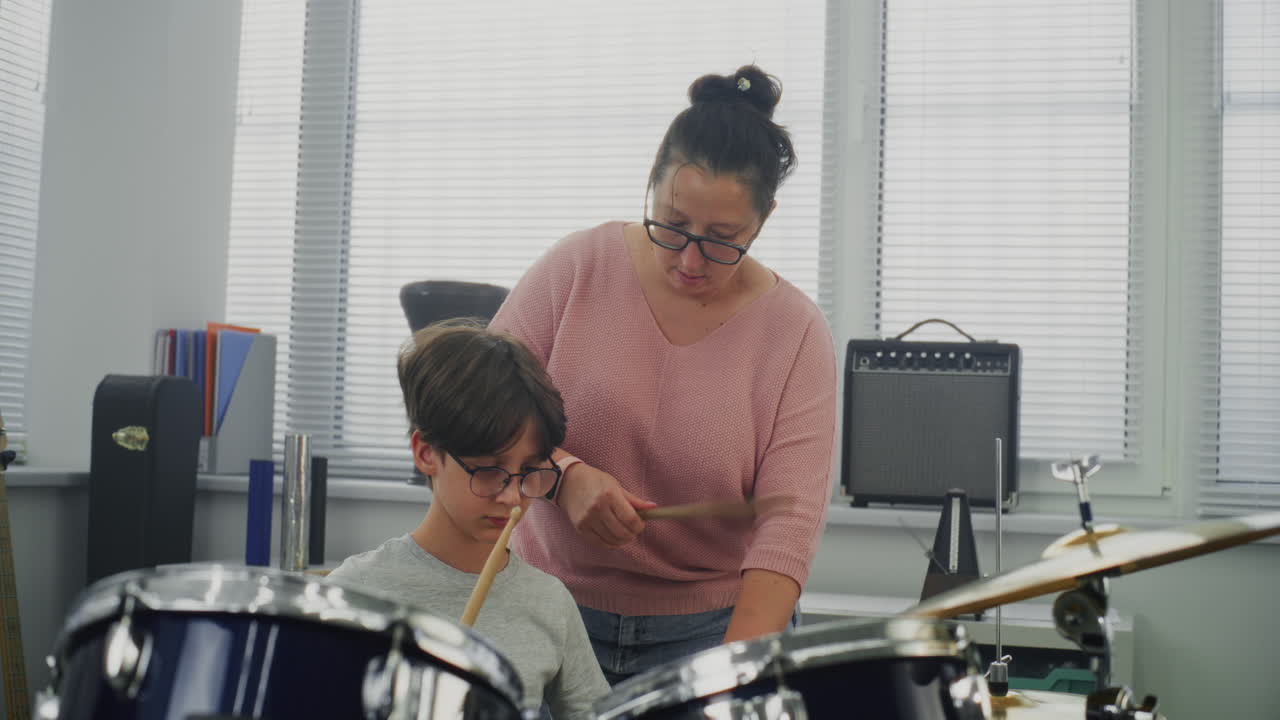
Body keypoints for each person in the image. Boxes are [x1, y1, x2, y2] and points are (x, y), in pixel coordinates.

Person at [489, 64, 837, 684]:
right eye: (672, 224)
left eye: (723, 238)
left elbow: (787, 529)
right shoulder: (577, 269)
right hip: (546, 606)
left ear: (764, 219)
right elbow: (481, 405)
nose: (689, 258)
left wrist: (734, 681)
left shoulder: (796, 333)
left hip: (711, 630)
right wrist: (563, 478)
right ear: (651, 185)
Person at [327, 321, 609, 719]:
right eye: (488, 470)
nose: (512, 497)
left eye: (530, 471)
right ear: (426, 453)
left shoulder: (548, 602)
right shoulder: (355, 596)